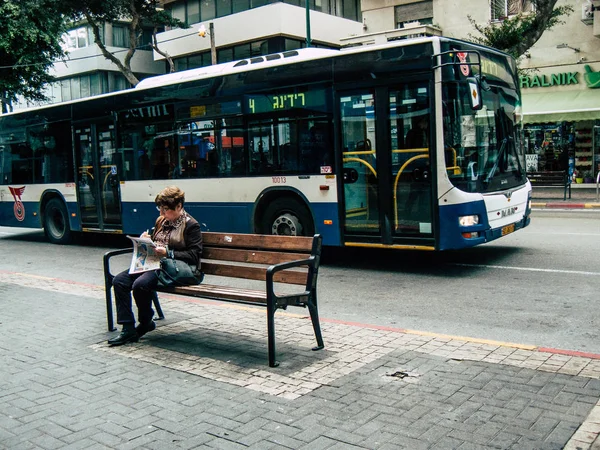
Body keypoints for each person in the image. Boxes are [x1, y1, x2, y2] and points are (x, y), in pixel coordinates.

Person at [108, 186, 203, 346]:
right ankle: (128, 328)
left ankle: (146, 322)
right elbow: (156, 241)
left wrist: (167, 253)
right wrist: (146, 240)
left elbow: (194, 256)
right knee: (119, 281)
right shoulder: (161, 221)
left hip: (174, 268)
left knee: (140, 285)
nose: (161, 214)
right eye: (160, 209)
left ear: (178, 206)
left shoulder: (191, 225)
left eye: (165, 210)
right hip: (153, 264)